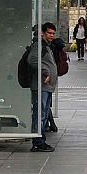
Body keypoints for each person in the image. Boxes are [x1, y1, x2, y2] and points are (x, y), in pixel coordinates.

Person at [24, 23, 58, 152]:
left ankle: (40, 140)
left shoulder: (45, 45)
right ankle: (38, 142)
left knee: (43, 114)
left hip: (46, 86)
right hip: (41, 85)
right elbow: (32, 60)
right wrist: (45, 71)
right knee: (40, 114)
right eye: (49, 33)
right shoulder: (39, 45)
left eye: (53, 34)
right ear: (42, 33)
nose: (52, 36)